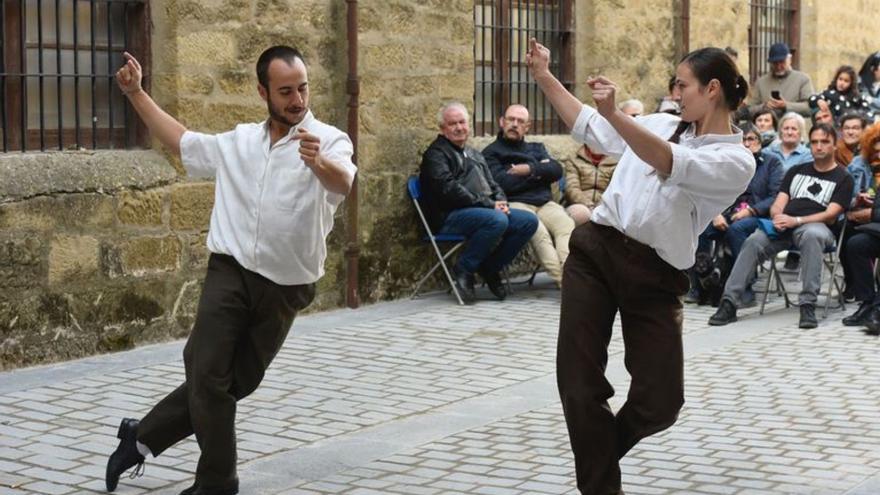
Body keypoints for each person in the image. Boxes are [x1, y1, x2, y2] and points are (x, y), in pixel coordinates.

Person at [104, 46, 356, 495]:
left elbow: (344, 182)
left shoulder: (329, 140)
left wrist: (319, 163)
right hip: (231, 269)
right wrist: (137, 93)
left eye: (302, 88)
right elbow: (181, 141)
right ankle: (218, 484)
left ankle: (141, 437)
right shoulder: (238, 142)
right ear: (263, 91)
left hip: (288, 285)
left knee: (234, 382)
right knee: (206, 373)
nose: (297, 99)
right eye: (285, 91)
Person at [527, 39, 755, 495]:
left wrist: (617, 116)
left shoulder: (736, 159)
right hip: (595, 252)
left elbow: (669, 161)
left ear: (712, 89)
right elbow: (589, 126)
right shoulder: (660, 122)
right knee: (578, 381)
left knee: (661, 401)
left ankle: (599, 455)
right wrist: (544, 76)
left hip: (655, 276)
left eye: (681, 84)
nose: (675, 92)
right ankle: (601, 487)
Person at [709, 123, 854, 330]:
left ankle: (807, 304)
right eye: (814, 142)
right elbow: (779, 201)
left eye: (824, 142)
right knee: (753, 241)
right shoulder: (796, 170)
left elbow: (831, 215)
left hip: (816, 226)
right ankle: (729, 302)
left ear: (834, 146)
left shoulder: (843, 177)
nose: (819, 146)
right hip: (784, 226)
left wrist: (796, 221)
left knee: (812, 235)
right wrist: (778, 216)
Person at [419, 102, 538, 304]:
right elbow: (449, 190)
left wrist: (500, 201)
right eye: (452, 124)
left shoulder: (473, 153)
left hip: (482, 212)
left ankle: (490, 267)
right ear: (442, 128)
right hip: (449, 216)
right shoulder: (436, 155)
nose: (458, 127)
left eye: (462, 122)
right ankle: (464, 268)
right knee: (497, 220)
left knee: (528, 221)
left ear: (469, 124)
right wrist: (489, 205)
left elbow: (493, 184)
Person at [686, 123, 783, 305]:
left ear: (760, 142)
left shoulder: (772, 163)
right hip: (728, 212)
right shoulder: (729, 162)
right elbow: (714, 190)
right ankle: (698, 285)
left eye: (751, 139)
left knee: (737, 230)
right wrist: (716, 213)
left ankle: (744, 286)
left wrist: (751, 210)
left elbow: (775, 196)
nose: (746, 144)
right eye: (742, 140)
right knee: (701, 227)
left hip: (758, 216)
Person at [482, 104, 573, 288]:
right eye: (510, 119)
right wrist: (540, 173)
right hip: (516, 204)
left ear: (527, 127)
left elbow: (556, 170)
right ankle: (566, 283)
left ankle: (572, 276)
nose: (514, 124)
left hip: (545, 204)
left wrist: (527, 170)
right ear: (502, 122)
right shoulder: (491, 153)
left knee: (566, 225)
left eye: (520, 121)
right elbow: (503, 184)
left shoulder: (536, 148)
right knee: (538, 232)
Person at [748, 42, 814, 119]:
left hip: (793, 128)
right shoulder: (761, 82)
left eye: (782, 62)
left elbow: (810, 108)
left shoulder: (803, 79)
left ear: (789, 60)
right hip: (767, 128)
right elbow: (750, 110)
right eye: (775, 63)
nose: (779, 66)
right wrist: (764, 106)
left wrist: (786, 105)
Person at [562, 143, 618, 226]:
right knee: (582, 214)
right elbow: (571, 188)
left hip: (605, 205)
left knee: (611, 216)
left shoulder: (616, 161)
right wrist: (589, 205)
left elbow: (614, 189)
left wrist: (600, 206)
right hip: (578, 204)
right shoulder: (574, 159)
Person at [809, 65, 873, 122]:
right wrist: (819, 100)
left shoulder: (857, 97)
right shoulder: (829, 93)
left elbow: (867, 112)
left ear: (851, 83)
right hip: (832, 127)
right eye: (840, 79)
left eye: (846, 81)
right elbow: (812, 98)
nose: (842, 83)